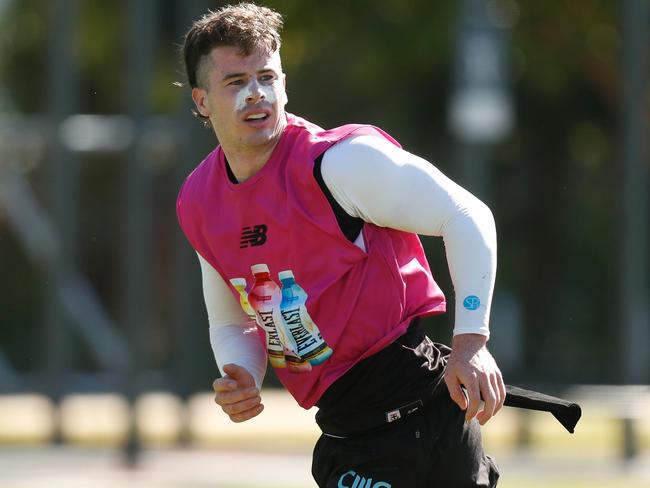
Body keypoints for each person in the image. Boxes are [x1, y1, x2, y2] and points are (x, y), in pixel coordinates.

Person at [177, 3, 504, 487]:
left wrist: (472, 341)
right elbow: (233, 319)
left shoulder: (338, 164)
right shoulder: (200, 202)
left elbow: (467, 214)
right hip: (347, 431)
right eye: (235, 82)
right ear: (202, 101)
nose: (256, 94)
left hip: (419, 412)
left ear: (284, 83)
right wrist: (241, 373)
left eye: (267, 77)